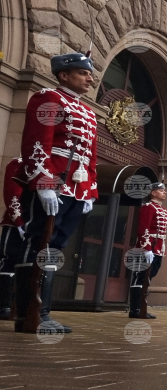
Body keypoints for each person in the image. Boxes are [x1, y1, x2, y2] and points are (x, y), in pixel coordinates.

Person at [15, 53, 99, 334]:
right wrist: (44, 183)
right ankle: (28, 313)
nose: (90, 79)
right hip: (53, 184)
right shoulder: (48, 98)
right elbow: (37, 143)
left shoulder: (88, 112)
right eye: (83, 73)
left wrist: (90, 191)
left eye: (90, 74)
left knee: (55, 248)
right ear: (64, 75)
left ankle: (44, 313)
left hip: (76, 188)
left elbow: (90, 156)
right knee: (38, 242)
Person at [130, 182, 167, 319]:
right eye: (161, 190)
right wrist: (146, 248)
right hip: (147, 246)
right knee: (140, 277)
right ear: (153, 193)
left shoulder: (162, 210)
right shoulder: (148, 207)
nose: (164, 192)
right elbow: (143, 228)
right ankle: (135, 309)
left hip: (158, 247)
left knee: (149, 276)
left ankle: (142, 308)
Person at [0, 157, 24, 320]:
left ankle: (22, 307)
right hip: (16, 225)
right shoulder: (18, 164)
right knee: (9, 261)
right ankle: (4, 305)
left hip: (37, 225)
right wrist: (20, 223)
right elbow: (13, 195)